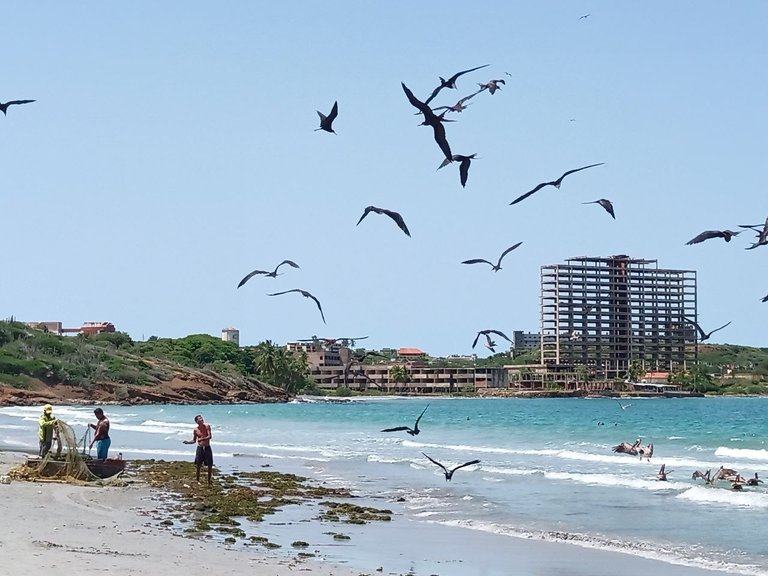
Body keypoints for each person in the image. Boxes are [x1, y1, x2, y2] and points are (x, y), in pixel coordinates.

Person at [183, 414, 213, 484]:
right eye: (199, 419)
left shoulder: (207, 426)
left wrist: (202, 438)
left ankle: (209, 481)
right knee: (198, 465)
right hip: (200, 448)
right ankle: (197, 480)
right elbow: (194, 440)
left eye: (202, 419)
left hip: (207, 447)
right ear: (197, 421)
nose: (201, 420)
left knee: (209, 465)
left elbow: (209, 436)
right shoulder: (196, 430)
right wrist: (187, 442)